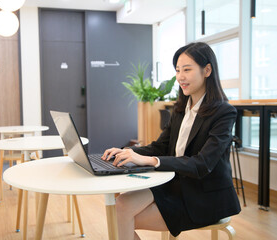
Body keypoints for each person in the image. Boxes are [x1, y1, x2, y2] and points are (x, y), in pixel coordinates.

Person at [102, 42, 241, 239]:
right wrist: (127, 152)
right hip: (175, 183)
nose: (180, 77)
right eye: (177, 70)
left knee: (120, 217)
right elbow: (160, 146)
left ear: (207, 70)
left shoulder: (224, 112)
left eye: (187, 69)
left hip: (205, 196)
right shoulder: (180, 109)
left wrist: (152, 161)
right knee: (121, 205)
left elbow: (202, 164)